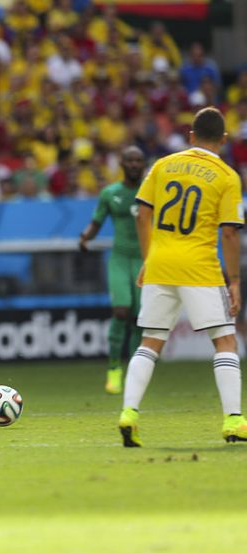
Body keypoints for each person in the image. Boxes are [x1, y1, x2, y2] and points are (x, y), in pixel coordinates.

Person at [118, 107, 247, 447]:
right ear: (222, 139)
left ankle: (129, 413)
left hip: (160, 265)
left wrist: (148, 259)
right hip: (200, 268)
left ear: (191, 136)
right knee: (225, 340)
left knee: (150, 341)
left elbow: (141, 214)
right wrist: (234, 280)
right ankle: (234, 420)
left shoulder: (162, 165)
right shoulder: (227, 176)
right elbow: (230, 235)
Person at [79, 146, 147, 394]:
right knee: (121, 311)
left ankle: (135, 372)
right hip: (119, 258)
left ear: (143, 164)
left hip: (144, 260)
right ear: (121, 163)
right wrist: (85, 238)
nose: (133, 164)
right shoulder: (110, 193)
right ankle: (114, 368)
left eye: (138, 160)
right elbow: (96, 221)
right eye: (129, 160)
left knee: (141, 317)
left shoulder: (151, 192)